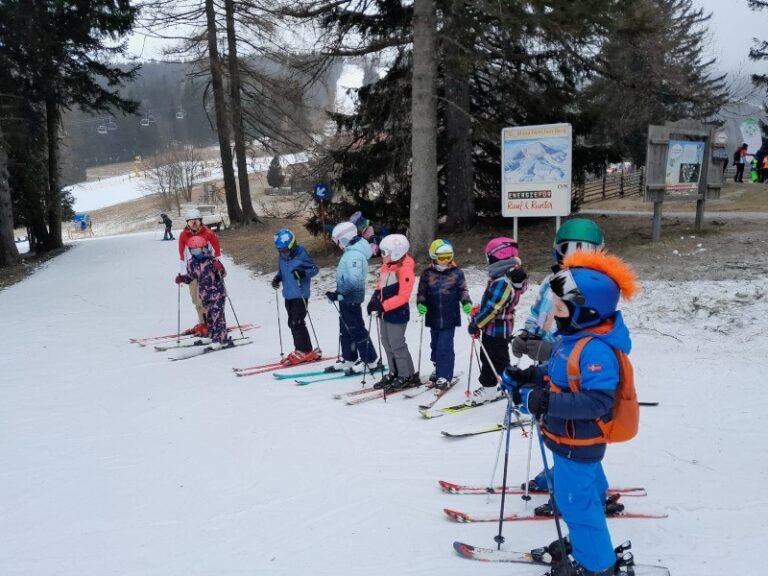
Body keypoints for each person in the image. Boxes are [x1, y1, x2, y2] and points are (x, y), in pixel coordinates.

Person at [502, 250, 638, 576]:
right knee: (578, 499)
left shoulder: (596, 350)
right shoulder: (572, 338)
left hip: (580, 441)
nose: (555, 314)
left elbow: (596, 402)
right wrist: (530, 376)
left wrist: (544, 402)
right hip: (565, 438)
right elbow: (559, 373)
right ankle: (587, 545)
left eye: (561, 309)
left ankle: (596, 566)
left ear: (586, 312)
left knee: (576, 504)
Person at [511, 218, 606, 493]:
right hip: (549, 368)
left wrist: (551, 350)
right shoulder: (552, 281)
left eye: (584, 250)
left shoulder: (594, 288)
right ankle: (569, 473)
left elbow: (589, 337)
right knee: (550, 423)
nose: (575, 258)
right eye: (569, 250)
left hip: (576, 373)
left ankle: (577, 482)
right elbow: (538, 314)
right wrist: (527, 335)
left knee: (574, 429)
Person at [465, 237, 527, 406]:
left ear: (497, 258)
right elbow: (494, 304)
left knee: (499, 362)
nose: (488, 261)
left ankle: (517, 392)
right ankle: (489, 388)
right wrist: (479, 312)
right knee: (488, 358)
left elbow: (493, 309)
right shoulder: (504, 277)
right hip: (493, 328)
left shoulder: (503, 281)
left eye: (489, 258)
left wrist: (476, 323)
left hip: (497, 329)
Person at [416, 239, 472, 390]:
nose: (445, 260)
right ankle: (438, 367)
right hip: (433, 316)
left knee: (444, 346)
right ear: (434, 257)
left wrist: (466, 302)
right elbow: (422, 292)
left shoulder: (457, 273)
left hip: (449, 316)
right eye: (442, 257)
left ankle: (445, 375)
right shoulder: (427, 274)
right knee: (434, 345)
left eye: (448, 257)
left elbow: (463, 290)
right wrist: (421, 304)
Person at [325, 222, 379, 373]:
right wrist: (337, 293)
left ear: (344, 239)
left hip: (351, 298)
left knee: (356, 329)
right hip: (345, 298)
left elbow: (354, 281)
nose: (338, 245)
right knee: (346, 329)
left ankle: (370, 360)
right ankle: (350, 358)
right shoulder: (350, 252)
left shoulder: (355, 255)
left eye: (338, 242)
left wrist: (339, 294)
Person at [367, 233, 418, 390]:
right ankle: (394, 371)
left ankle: (406, 375)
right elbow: (379, 287)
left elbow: (403, 297)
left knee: (397, 344)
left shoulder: (405, 270)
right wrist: (374, 301)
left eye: (385, 253)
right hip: (384, 313)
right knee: (386, 342)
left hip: (397, 314)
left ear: (397, 253)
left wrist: (383, 306)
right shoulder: (386, 267)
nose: (382, 255)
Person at [271, 228, 320, 365]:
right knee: (292, 322)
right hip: (288, 295)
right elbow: (282, 272)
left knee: (297, 322)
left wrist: (303, 273)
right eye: (280, 250)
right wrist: (277, 279)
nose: (283, 252)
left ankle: (304, 350)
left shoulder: (301, 253)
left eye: (285, 249)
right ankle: (301, 349)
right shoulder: (282, 257)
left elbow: (314, 269)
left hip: (300, 294)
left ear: (292, 244)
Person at [175, 236, 230, 348]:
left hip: (217, 293)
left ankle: (221, 339)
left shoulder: (212, 260)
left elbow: (223, 274)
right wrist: (182, 279)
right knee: (209, 316)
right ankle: (212, 335)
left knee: (217, 316)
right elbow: (190, 278)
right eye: (193, 251)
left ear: (204, 248)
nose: (196, 253)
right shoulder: (191, 263)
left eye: (198, 250)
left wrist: (220, 268)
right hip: (204, 295)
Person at [177, 208, 221, 336]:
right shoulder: (183, 235)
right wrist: (183, 273)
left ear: (201, 220)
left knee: (207, 298)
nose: (194, 223)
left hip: (207, 271)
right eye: (191, 221)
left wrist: (217, 265)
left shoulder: (208, 233)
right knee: (195, 299)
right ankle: (202, 323)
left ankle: (211, 323)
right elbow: (182, 254)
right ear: (187, 223)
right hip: (192, 271)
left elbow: (216, 251)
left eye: (196, 220)